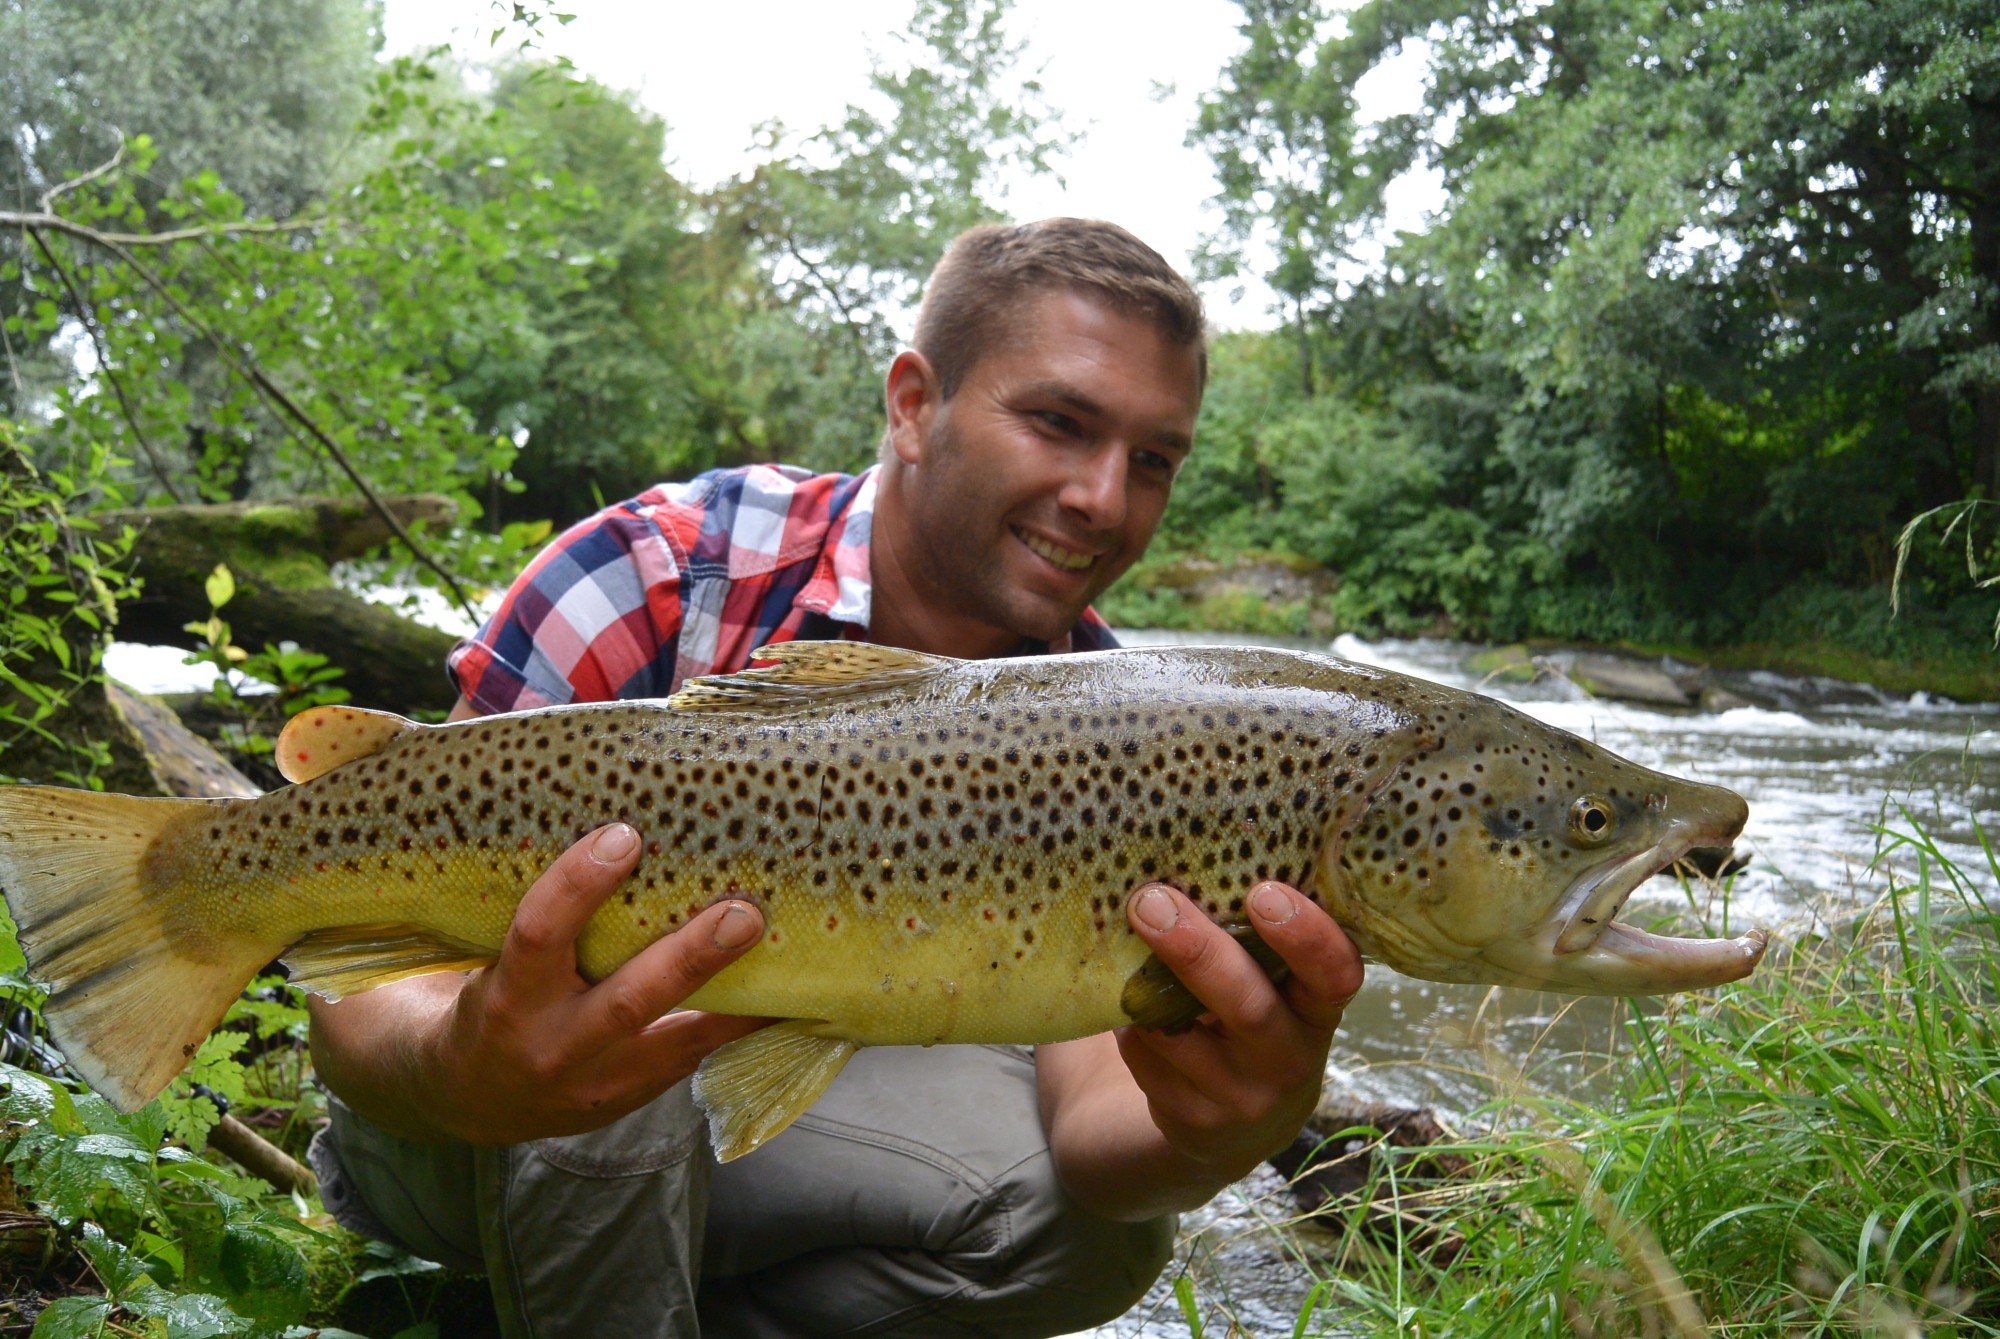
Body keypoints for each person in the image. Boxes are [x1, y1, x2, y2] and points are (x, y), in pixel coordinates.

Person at [306, 218, 1365, 1338]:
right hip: (447, 1136)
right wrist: (456, 1063)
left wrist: (1215, 1133)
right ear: (912, 404)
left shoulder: (1129, 735)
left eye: (1153, 459)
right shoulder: (654, 577)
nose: (1105, 497)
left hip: (741, 1143)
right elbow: (351, 978)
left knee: (1094, 1234)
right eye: (1059, 422)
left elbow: (1098, 1122)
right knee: (630, 1021)